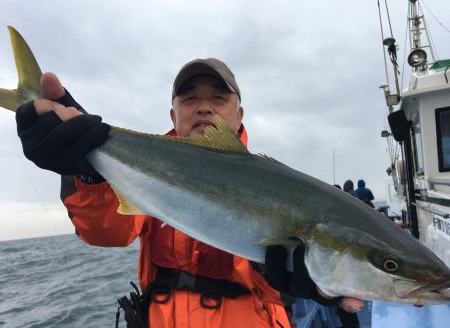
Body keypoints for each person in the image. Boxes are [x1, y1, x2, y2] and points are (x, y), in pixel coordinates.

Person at [15, 58, 363, 327]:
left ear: (239, 114)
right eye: (190, 98)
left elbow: (276, 284)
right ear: (174, 113)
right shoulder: (143, 171)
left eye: (218, 97)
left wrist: (300, 283)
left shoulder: (278, 186)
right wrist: (88, 171)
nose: (204, 106)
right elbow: (107, 232)